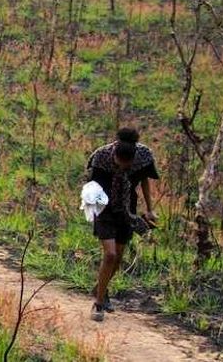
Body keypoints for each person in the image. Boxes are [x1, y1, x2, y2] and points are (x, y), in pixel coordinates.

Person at [85, 127, 160, 321]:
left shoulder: (143, 157)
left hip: (127, 211)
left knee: (118, 258)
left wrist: (149, 209)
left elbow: (144, 181)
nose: (124, 167)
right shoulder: (101, 157)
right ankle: (99, 304)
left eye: (128, 164)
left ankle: (100, 289)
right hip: (104, 209)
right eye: (121, 163)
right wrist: (90, 207)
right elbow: (91, 186)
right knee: (109, 255)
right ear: (115, 154)